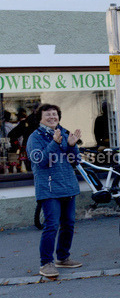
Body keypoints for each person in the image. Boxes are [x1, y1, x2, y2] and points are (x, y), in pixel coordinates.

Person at [28, 104, 83, 278]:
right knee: (51, 226)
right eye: (48, 115)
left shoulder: (64, 133)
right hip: (49, 189)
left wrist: (72, 145)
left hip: (68, 186)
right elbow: (40, 161)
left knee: (68, 224)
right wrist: (54, 143)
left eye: (55, 114)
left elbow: (75, 161)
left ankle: (63, 258)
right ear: (40, 118)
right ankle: (46, 263)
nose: (52, 117)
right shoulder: (34, 138)